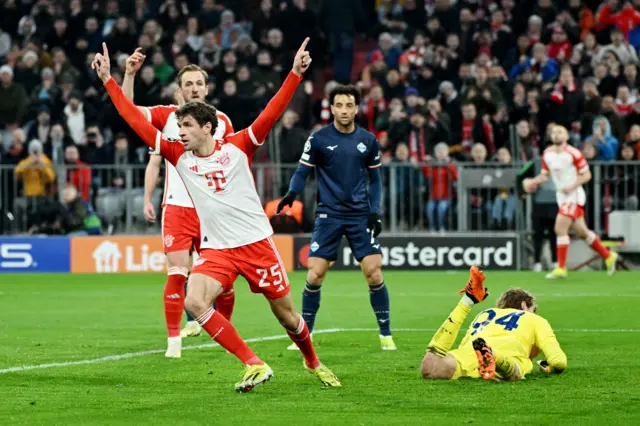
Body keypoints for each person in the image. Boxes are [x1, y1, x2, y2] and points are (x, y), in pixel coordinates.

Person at [93, 39, 341, 392]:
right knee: (194, 301)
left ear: (208, 127)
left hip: (256, 244)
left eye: (188, 126)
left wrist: (294, 75)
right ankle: (254, 363)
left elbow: (271, 112)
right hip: (218, 249)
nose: (181, 132)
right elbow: (133, 118)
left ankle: (313, 361)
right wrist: (109, 81)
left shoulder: (240, 146)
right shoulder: (180, 156)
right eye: (180, 127)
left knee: (286, 315)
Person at [122, 49, 236, 355]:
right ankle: (174, 342)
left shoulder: (222, 122)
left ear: (207, 88)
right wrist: (130, 75)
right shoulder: (167, 117)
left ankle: (223, 332)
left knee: (224, 281)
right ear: (180, 89)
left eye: (199, 83)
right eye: (189, 84)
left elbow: (233, 164)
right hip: (177, 207)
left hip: (212, 210)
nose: (195, 88)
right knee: (177, 273)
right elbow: (129, 109)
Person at [278, 84, 396, 351]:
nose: (344, 110)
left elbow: (375, 181)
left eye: (349, 105)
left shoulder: (368, 140)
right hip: (328, 215)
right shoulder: (318, 139)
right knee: (315, 275)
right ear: (331, 108)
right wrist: (291, 194)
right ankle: (304, 335)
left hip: (359, 216)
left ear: (356, 108)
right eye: (339, 105)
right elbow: (302, 171)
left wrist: (375, 212)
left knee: (374, 273)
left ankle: (386, 334)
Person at [421, 266, 567, 381]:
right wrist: (548, 368)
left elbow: (464, 345)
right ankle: (495, 357)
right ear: (524, 305)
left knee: (430, 368)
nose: (535, 313)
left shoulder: (485, 314)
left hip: (472, 351)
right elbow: (558, 361)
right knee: (515, 371)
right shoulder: (535, 319)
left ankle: (467, 301)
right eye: (534, 309)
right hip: (509, 352)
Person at [524, 125, 618, 279]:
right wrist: (532, 181)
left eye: (560, 132)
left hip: (573, 195)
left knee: (559, 228)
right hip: (561, 197)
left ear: (567, 136)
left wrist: (571, 186)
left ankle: (561, 268)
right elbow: (545, 176)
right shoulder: (547, 154)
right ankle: (608, 255)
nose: (556, 135)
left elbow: (587, 175)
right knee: (582, 232)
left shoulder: (574, 153)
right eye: (554, 132)